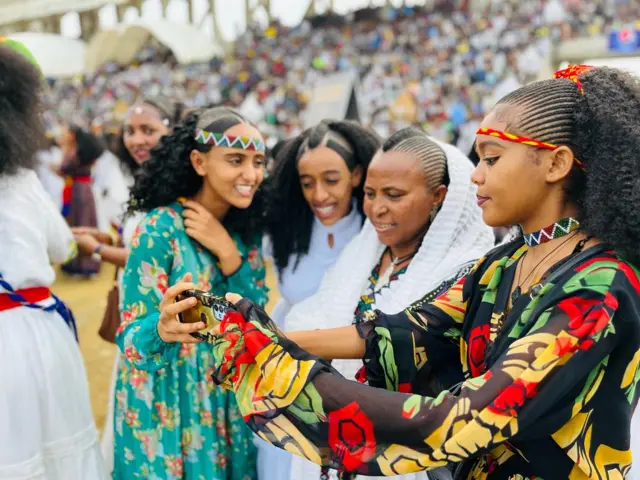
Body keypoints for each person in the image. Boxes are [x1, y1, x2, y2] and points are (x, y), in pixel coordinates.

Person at [185, 66, 639, 478]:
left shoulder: (601, 287)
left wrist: (284, 372)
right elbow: (403, 333)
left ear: (556, 163)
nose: (476, 176)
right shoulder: (503, 263)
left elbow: (465, 418)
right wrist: (234, 326)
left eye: (493, 158)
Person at [281, 128, 494, 480]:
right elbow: (314, 313)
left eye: (393, 195)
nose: (376, 208)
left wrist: (281, 339)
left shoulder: (466, 269)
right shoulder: (364, 253)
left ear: (439, 196)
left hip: (407, 457)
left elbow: (396, 341)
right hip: (335, 442)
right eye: (369, 193)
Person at [114, 107, 267, 479]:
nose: (250, 174)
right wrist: (161, 329)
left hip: (222, 400)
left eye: (258, 162)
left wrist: (228, 255)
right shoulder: (159, 228)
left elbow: (257, 320)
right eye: (235, 160)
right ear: (199, 162)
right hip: (166, 406)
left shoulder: (243, 237)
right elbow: (130, 339)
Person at [0, 39, 105, 479]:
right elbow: (59, 247)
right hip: (41, 331)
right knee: (64, 448)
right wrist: (79, 238)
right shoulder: (21, 180)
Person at [262, 120, 381, 480]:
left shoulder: (378, 228)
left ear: (357, 174)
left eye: (331, 180)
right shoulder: (286, 229)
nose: (319, 195)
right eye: (307, 183)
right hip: (288, 379)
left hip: (353, 378)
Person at [72, 97, 183, 476]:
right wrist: (104, 237)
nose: (137, 139)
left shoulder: (175, 190)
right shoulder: (146, 186)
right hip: (135, 323)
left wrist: (99, 250)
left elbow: (152, 261)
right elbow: (135, 245)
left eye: (148, 130)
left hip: (160, 326)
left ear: (172, 132)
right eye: (131, 131)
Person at [53, 124, 104, 276]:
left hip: (76, 190)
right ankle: (88, 263)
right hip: (85, 188)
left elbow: (63, 169)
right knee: (86, 221)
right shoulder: (83, 151)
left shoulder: (73, 151)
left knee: (78, 222)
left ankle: (80, 264)